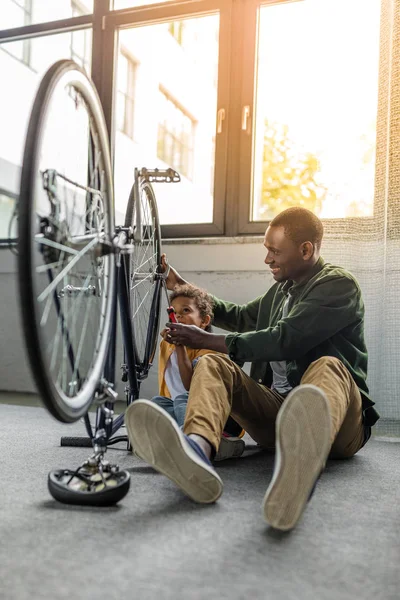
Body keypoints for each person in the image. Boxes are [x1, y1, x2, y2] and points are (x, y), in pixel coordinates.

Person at [125, 207, 380, 531]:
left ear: (305, 250)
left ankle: (300, 470)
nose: (267, 259)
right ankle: (197, 451)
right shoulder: (280, 291)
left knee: (328, 366)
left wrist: (204, 336)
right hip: (278, 419)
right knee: (211, 362)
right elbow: (241, 316)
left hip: (341, 429)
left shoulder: (338, 286)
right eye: (266, 250)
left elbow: (286, 339)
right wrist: (182, 285)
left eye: (275, 251)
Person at [149, 283, 245, 461]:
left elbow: (189, 385)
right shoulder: (166, 344)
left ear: (204, 321)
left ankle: (196, 442)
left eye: (186, 311)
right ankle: (187, 439)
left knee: (182, 400)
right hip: (178, 405)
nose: (178, 316)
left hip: (208, 411)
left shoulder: (209, 352)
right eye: (175, 312)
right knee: (157, 404)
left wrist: (180, 347)